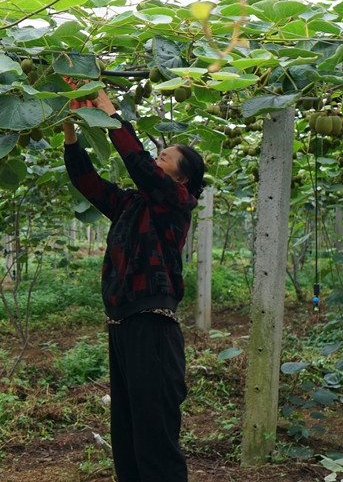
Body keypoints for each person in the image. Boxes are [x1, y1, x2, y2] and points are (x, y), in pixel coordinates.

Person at [62, 88, 205, 482]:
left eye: (165, 158)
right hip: (123, 324)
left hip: (153, 325)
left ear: (182, 175)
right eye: (159, 157)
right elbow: (88, 183)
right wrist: (70, 131)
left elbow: (142, 167)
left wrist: (111, 116)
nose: (157, 161)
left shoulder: (177, 202)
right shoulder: (131, 205)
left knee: (155, 433)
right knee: (126, 432)